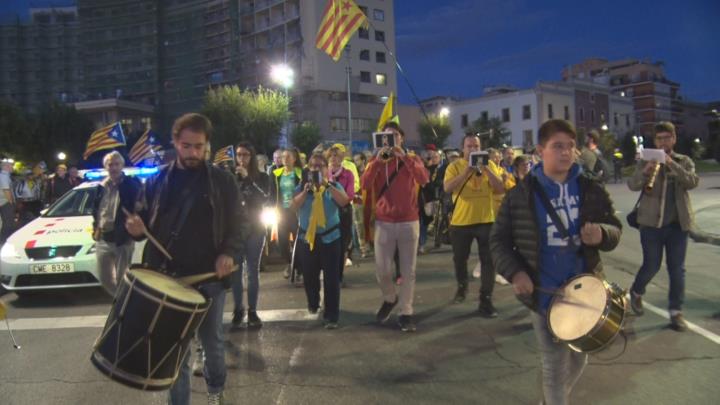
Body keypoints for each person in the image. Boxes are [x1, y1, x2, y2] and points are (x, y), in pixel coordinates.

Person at [490, 119, 622, 405]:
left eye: (570, 146)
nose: (565, 152)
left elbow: (615, 229)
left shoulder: (590, 188)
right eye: (557, 146)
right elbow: (498, 240)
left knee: (579, 360)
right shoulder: (520, 194)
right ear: (541, 150)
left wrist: (601, 233)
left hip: (586, 290)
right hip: (544, 294)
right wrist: (515, 274)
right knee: (553, 367)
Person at [125, 113, 245, 405]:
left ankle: (215, 392)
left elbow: (239, 224)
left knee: (213, 343)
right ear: (176, 143)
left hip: (208, 278)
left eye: (199, 146)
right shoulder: (156, 181)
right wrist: (137, 230)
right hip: (167, 277)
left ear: (207, 145)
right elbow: (143, 226)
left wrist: (228, 253)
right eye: (187, 146)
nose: (193, 153)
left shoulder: (222, 180)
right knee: (176, 349)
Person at [627, 121, 699, 332]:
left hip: (678, 225)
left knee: (677, 270)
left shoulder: (683, 160)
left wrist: (671, 164)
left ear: (674, 139)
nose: (663, 141)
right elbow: (632, 185)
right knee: (652, 265)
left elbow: (692, 181)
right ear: (654, 141)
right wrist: (646, 171)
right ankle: (637, 291)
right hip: (650, 225)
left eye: (667, 137)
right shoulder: (645, 160)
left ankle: (676, 312)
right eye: (659, 138)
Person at [361, 122, 429, 332]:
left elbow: (423, 179)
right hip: (385, 221)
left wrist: (404, 157)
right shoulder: (376, 160)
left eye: (395, 136)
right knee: (382, 269)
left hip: (409, 220)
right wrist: (377, 162)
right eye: (387, 136)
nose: (391, 140)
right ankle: (390, 298)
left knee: (408, 271)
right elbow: (364, 184)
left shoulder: (411, 158)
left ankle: (406, 311)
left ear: (401, 139)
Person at [443, 134, 505, 316]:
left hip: (486, 220)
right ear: (463, 149)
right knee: (460, 259)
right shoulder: (454, 166)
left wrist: (486, 170)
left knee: (489, 261)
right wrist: (467, 172)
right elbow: (447, 188)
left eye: (476, 146)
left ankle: (486, 300)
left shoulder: (490, 165)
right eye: (469, 146)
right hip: (461, 222)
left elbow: (500, 187)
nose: (473, 149)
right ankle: (462, 285)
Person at [292, 153, 350, 329]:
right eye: (312, 166)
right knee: (309, 276)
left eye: (319, 166)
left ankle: (332, 315)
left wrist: (326, 185)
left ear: (326, 169)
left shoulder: (334, 185)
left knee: (332, 279)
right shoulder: (301, 187)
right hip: (307, 239)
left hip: (331, 238)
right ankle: (313, 302)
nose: (315, 169)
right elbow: (293, 206)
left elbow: (344, 201)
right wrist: (305, 191)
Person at [231, 142, 270, 329]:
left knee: (252, 271)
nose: (241, 159)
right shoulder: (231, 177)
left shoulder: (261, 177)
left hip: (255, 228)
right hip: (236, 231)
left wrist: (248, 180)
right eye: (238, 155)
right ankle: (238, 309)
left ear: (252, 157)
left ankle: (252, 311)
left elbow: (264, 198)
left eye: (245, 155)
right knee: (235, 273)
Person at [92, 152, 142, 296]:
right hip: (103, 237)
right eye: (110, 164)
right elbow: (96, 209)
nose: (113, 167)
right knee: (104, 278)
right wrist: (96, 228)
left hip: (122, 237)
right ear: (105, 167)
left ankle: (122, 305)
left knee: (123, 279)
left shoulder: (131, 184)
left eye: (116, 164)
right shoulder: (101, 186)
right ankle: (120, 299)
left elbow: (140, 206)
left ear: (122, 165)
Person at [271, 148, 303, 280]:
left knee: (299, 242)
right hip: (282, 213)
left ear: (294, 159)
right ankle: (290, 263)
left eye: (288, 156)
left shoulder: (300, 174)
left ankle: (299, 269)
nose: (285, 159)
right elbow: (271, 193)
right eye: (283, 156)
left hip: (297, 212)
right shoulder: (275, 174)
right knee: (282, 243)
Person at [326, 146, 355, 285]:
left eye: (336, 156)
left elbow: (350, 195)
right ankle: (330, 273)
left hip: (343, 211)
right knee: (329, 244)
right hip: (328, 212)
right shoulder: (325, 175)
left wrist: (335, 193)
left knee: (342, 244)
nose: (333, 159)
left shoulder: (348, 174)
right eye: (331, 156)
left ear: (342, 158)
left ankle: (339, 275)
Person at [418, 145, 442, 254]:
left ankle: (437, 239)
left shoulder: (441, 169)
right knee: (422, 222)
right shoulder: (422, 168)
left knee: (433, 221)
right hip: (421, 198)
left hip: (435, 198)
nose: (431, 158)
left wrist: (430, 184)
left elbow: (441, 183)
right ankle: (421, 244)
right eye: (428, 156)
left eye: (434, 156)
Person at [352, 153, 370, 257]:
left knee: (368, 224)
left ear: (363, 160)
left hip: (368, 202)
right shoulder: (354, 173)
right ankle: (363, 248)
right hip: (357, 202)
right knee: (359, 226)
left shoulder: (368, 172)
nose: (355, 162)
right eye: (354, 160)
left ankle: (368, 244)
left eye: (357, 160)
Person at [0, 161, 16, 242]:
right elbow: (6, 190)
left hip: (3, 202)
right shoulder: (4, 176)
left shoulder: (5, 176)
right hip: (5, 202)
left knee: (7, 221)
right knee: (8, 222)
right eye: (11, 166)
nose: (12, 167)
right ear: (6, 167)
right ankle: (4, 239)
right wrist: (11, 202)